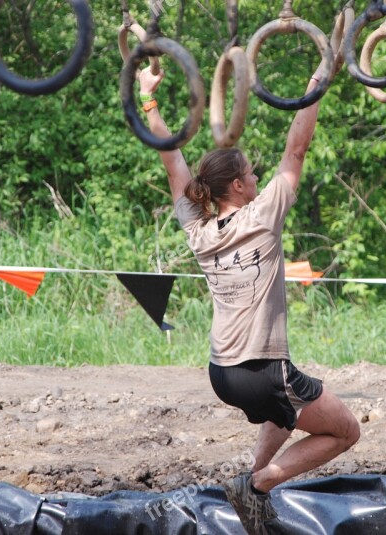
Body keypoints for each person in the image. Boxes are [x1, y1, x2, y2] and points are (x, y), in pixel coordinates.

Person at [138, 64, 360, 535]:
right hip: (261, 368)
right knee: (344, 431)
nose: (257, 175)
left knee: (285, 414)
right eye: (250, 172)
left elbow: (172, 160)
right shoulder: (263, 215)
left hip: (222, 372)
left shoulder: (198, 229)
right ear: (238, 186)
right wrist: (315, 83)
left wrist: (148, 99)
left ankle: (248, 490)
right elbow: (296, 147)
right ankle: (259, 484)